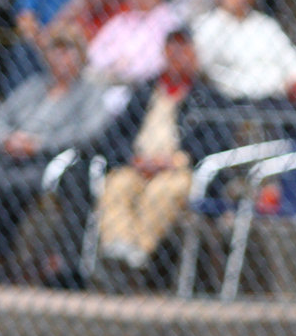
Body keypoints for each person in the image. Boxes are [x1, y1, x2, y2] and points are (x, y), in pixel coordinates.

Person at [0, 24, 112, 288]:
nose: (61, 58)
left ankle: (10, 258)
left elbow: (89, 132)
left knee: (17, 185)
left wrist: (39, 144)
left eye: (68, 51)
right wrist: (9, 138)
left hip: (47, 160)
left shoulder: (90, 93)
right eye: (55, 51)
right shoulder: (33, 87)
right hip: (9, 155)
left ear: (81, 56)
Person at [193, 0, 296, 216]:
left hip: (277, 100)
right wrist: (226, 11)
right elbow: (204, 63)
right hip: (233, 102)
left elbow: (294, 61)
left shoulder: (265, 26)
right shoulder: (209, 24)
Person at [95, 27, 234, 272]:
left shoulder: (207, 96)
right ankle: (118, 247)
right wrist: (132, 159)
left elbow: (218, 141)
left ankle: (137, 253)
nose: (178, 55)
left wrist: (176, 160)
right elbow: (114, 135)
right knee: (117, 185)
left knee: (163, 191)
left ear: (194, 55)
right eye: (173, 48)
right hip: (138, 164)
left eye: (184, 49)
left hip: (178, 168)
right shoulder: (145, 90)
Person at [87, 0, 182, 85]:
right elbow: (94, 52)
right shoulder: (121, 20)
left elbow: (158, 62)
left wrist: (125, 69)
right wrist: (114, 63)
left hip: (143, 86)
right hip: (106, 80)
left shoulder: (170, 21)